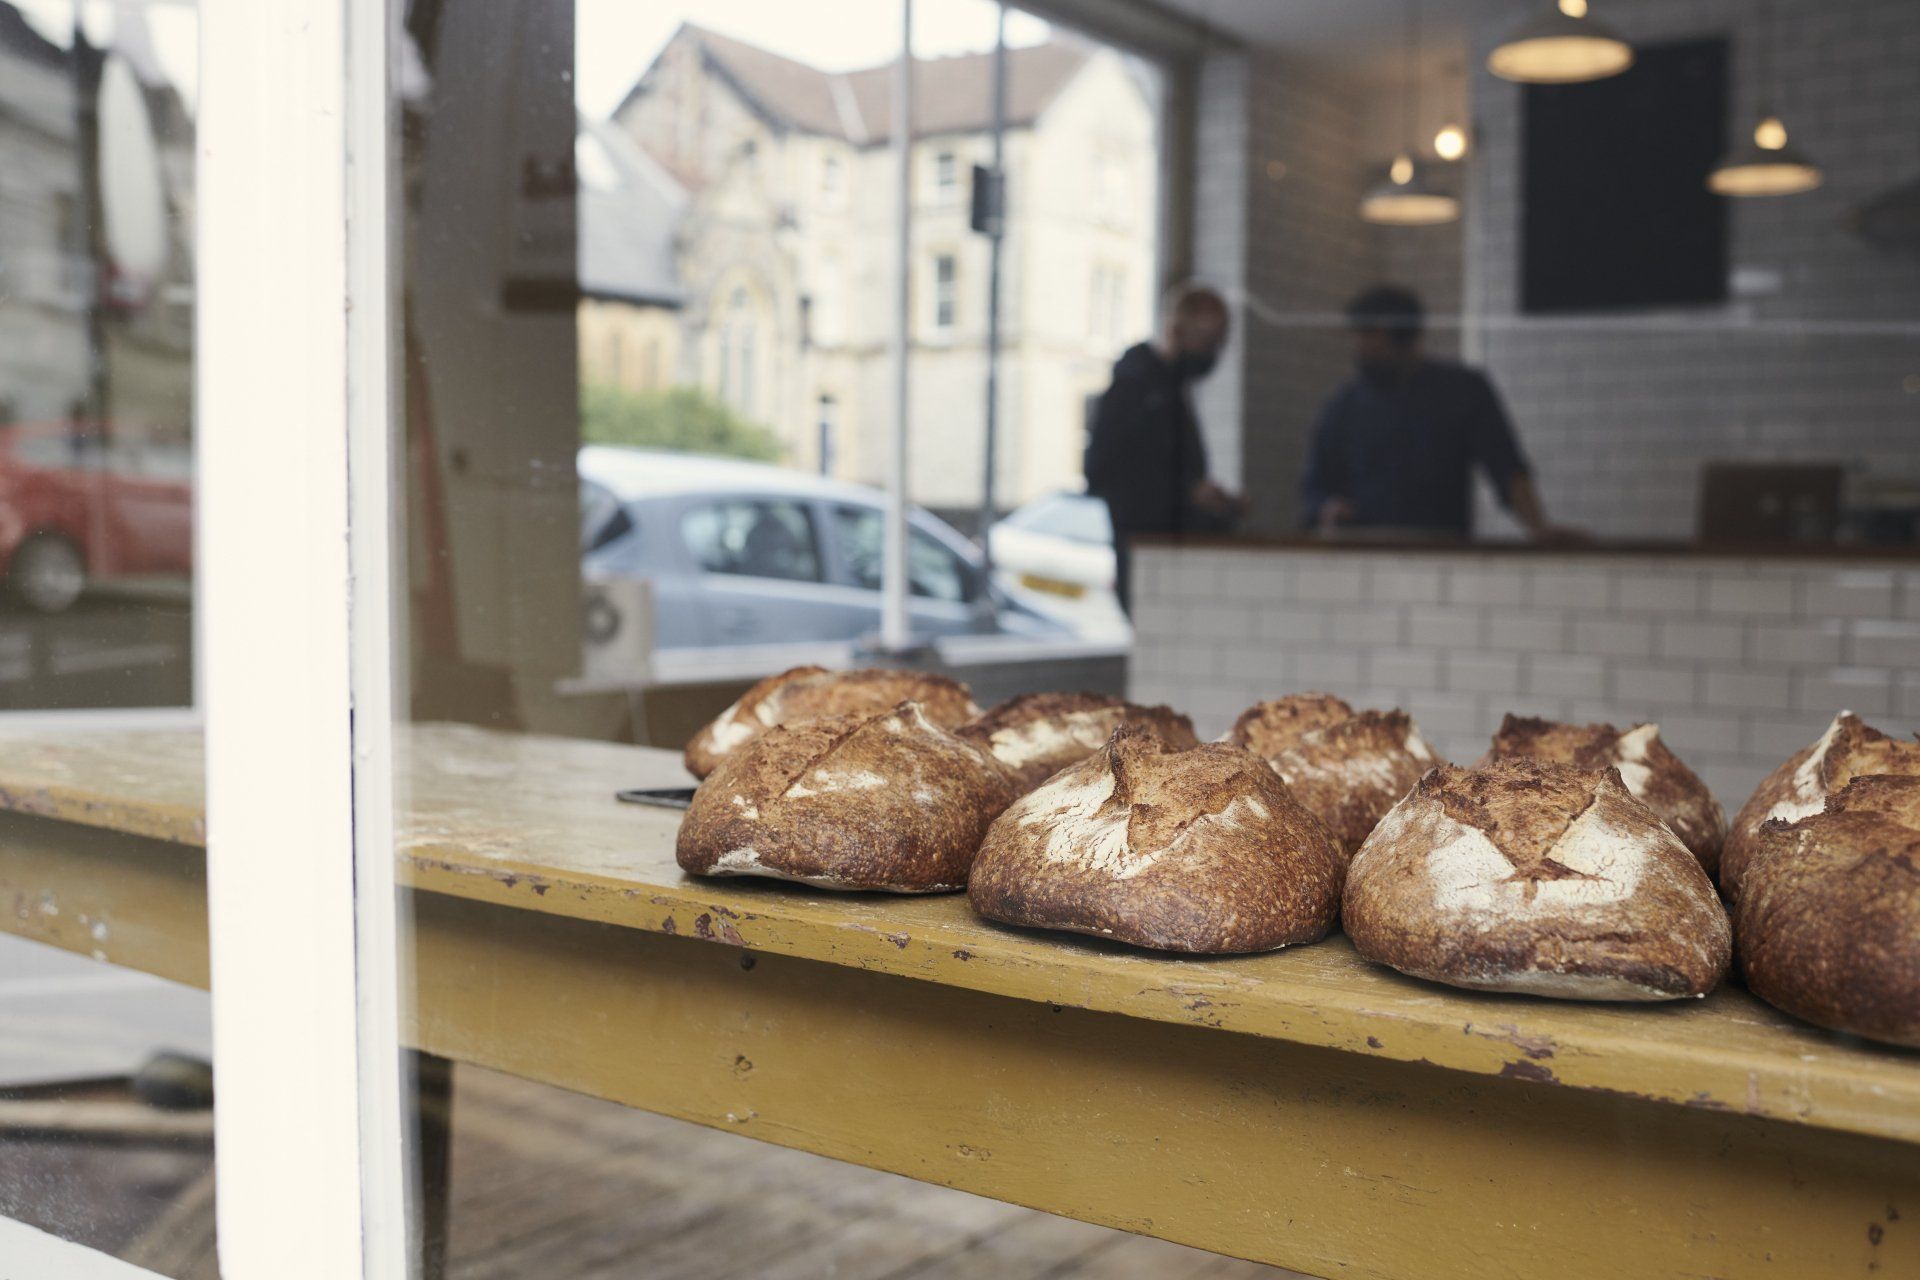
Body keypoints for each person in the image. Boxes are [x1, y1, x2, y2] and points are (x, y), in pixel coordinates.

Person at [1301, 285, 1577, 542]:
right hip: (1366, 548)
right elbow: (1314, 487)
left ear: (1406, 339)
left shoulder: (1462, 390)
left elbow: (1507, 469)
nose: (1360, 349)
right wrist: (1327, 508)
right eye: (1360, 337)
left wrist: (1539, 530)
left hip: (1440, 548)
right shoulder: (1343, 405)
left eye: (1371, 338)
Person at [1084, 283, 1245, 614]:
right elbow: (1103, 471)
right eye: (1209, 340)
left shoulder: (1171, 390)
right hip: (1147, 558)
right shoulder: (1137, 389)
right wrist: (1187, 493)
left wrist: (1207, 501)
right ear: (1176, 330)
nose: (1214, 351)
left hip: (1170, 557)